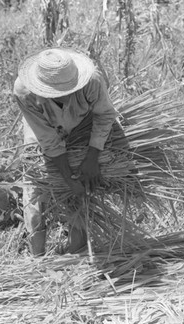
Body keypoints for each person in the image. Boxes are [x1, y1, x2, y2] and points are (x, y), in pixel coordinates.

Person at [13, 47, 118, 256]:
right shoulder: (24, 91)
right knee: (36, 187)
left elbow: (105, 115)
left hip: (81, 129)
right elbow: (48, 140)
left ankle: (77, 251)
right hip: (41, 133)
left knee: (81, 185)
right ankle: (37, 256)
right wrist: (68, 178)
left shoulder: (92, 81)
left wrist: (91, 157)